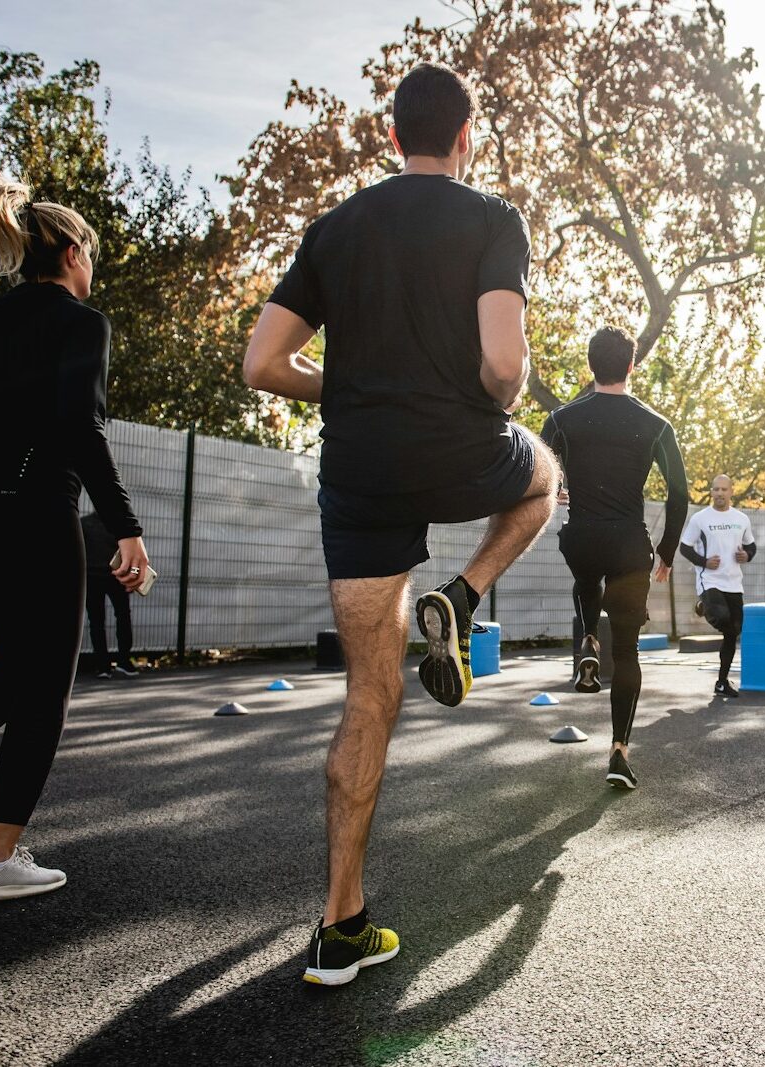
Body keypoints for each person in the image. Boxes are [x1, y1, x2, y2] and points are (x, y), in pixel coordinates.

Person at [243, 64, 558, 985]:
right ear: (466, 140)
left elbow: (263, 363)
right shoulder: (492, 218)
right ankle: (463, 593)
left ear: (393, 139)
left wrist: (341, 385)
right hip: (460, 452)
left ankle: (340, 926)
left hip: (360, 473)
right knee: (542, 478)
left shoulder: (334, 230)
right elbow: (503, 365)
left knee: (367, 699)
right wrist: (497, 394)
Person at [0, 176, 150, 902]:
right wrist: (124, 526)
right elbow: (80, 427)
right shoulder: (81, 321)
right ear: (72, 253)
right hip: (36, 514)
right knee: (45, 687)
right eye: (90, 256)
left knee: (12, 671)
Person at [541, 326, 688, 790]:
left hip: (582, 537)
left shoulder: (562, 419)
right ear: (631, 365)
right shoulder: (656, 424)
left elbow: (539, 471)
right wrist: (666, 552)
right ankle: (619, 752)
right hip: (629, 545)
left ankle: (587, 638)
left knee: (585, 575)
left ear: (590, 364)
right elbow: (680, 494)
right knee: (627, 652)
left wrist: (559, 488)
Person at [679, 475, 756, 698]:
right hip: (709, 580)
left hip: (734, 582)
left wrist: (746, 555)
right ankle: (706, 603)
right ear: (711, 492)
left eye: (724, 489)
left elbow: (751, 546)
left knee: (734, 631)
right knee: (722, 620)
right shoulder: (700, 519)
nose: (720, 493)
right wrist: (704, 562)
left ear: (732, 491)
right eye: (716, 490)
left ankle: (721, 682)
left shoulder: (741, 518)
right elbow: (685, 548)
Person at [81, 511, 139, 678]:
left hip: (92, 578)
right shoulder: (120, 524)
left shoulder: (84, 524)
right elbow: (132, 554)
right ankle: (124, 662)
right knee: (123, 617)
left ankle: (103, 666)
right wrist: (134, 576)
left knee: (97, 622)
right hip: (117, 578)